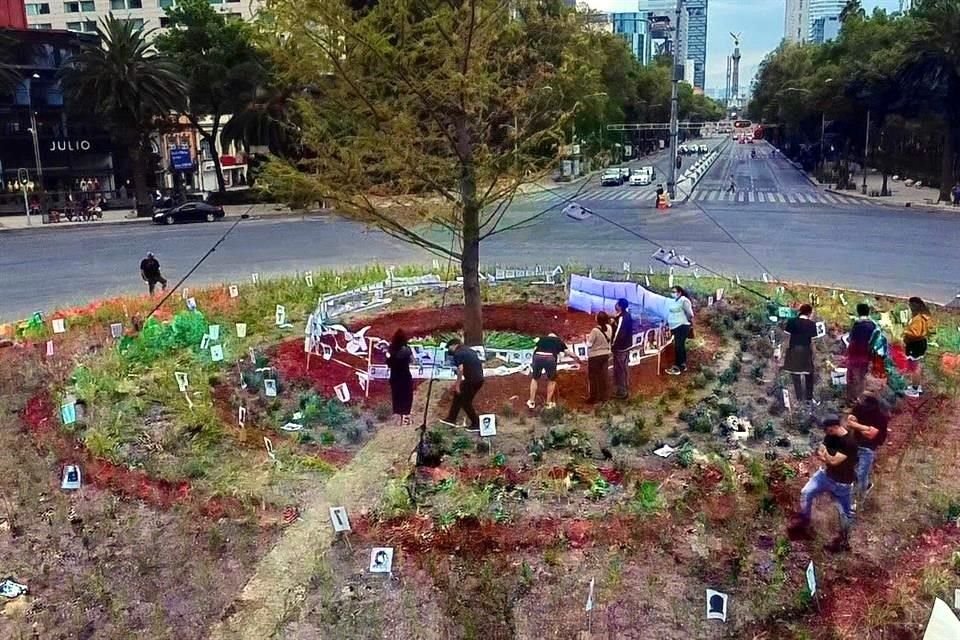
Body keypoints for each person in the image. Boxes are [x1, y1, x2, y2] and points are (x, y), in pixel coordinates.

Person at [788, 414, 858, 552]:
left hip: (842, 483)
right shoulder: (830, 435)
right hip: (825, 475)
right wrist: (826, 455)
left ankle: (843, 541)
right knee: (806, 492)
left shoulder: (849, 442)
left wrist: (826, 456)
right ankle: (804, 521)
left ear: (835, 427)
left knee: (846, 514)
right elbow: (821, 451)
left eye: (827, 429)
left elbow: (833, 461)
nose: (825, 432)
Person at [845, 392, 890, 500]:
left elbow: (871, 434)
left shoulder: (881, 416)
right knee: (848, 468)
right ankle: (865, 486)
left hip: (868, 448)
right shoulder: (859, 408)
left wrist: (857, 426)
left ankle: (859, 499)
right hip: (855, 444)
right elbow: (849, 423)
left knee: (862, 474)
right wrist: (865, 428)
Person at [526, 333, 580, 410]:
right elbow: (567, 352)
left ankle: (531, 402)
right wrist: (576, 357)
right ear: (555, 336)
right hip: (550, 358)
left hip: (537, 356)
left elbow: (535, 349)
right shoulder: (558, 340)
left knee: (535, 379)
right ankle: (548, 403)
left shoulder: (542, 338)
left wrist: (534, 361)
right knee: (552, 380)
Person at [442, 338, 484, 431]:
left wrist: (457, 385)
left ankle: (476, 424)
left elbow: (460, 369)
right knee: (458, 396)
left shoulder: (458, 353)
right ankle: (451, 418)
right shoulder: (469, 350)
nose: (449, 350)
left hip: (472, 380)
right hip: (478, 379)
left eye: (449, 347)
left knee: (466, 402)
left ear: (454, 345)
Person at [782, 304, 819, 405]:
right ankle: (809, 398)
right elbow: (813, 342)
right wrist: (814, 355)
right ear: (809, 313)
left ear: (800, 311)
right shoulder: (812, 324)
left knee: (795, 374)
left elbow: (786, 339)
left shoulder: (791, 321)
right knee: (809, 374)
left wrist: (783, 352)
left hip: (793, 349)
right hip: (806, 351)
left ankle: (799, 398)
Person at [845, 303, 879, 404]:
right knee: (862, 377)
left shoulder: (856, 324)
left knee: (851, 376)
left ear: (858, 312)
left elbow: (851, 339)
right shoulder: (873, 325)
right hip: (866, 353)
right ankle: (861, 399)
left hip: (854, 353)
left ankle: (851, 398)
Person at [902, 296, 931, 398]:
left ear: (914, 305)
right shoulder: (924, 315)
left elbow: (916, 333)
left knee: (914, 367)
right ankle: (916, 386)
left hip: (915, 344)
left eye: (910, 305)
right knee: (916, 365)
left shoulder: (918, 318)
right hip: (921, 343)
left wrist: (905, 331)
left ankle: (915, 390)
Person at [386, 329, 414, 426]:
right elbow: (412, 361)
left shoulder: (391, 349)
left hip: (395, 376)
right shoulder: (407, 350)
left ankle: (398, 419)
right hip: (405, 376)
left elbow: (388, 363)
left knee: (396, 396)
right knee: (407, 396)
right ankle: (406, 417)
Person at [665, 286, 694, 375]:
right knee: (680, 345)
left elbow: (690, 314)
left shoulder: (684, 301)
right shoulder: (675, 301)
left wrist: (685, 321)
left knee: (678, 346)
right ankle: (682, 365)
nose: (672, 293)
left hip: (682, 326)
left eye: (674, 292)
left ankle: (678, 367)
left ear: (679, 292)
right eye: (672, 291)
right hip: (675, 327)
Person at [585, 312, 613, 403]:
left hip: (594, 356)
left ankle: (593, 397)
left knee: (593, 377)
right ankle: (604, 397)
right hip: (605, 355)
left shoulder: (595, 331)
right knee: (603, 376)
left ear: (597, 320)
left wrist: (586, 340)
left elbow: (589, 344)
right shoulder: (609, 328)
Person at [610, 299, 634, 399]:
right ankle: (624, 387)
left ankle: (622, 391)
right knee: (623, 367)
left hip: (620, 347)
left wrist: (612, 345)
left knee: (620, 369)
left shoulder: (622, 318)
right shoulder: (626, 315)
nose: (615, 305)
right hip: (626, 346)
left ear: (619, 306)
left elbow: (619, 334)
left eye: (617, 304)